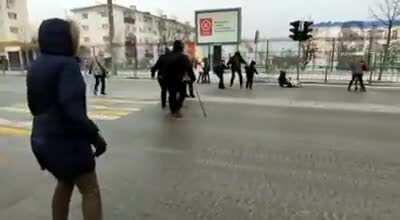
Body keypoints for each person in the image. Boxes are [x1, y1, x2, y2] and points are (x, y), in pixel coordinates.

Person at [26, 18, 106, 220]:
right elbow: (73, 111)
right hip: (67, 141)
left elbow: (33, 106)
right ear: (67, 39)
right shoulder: (67, 65)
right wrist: (95, 137)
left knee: (65, 182)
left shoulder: (36, 66)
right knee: (90, 190)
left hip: (42, 139)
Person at [164, 40, 195, 118]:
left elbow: (164, 67)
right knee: (182, 94)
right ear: (181, 47)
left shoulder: (168, 56)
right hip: (180, 80)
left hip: (169, 79)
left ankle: (173, 110)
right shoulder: (183, 57)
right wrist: (192, 77)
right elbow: (189, 68)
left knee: (172, 95)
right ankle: (177, 109)